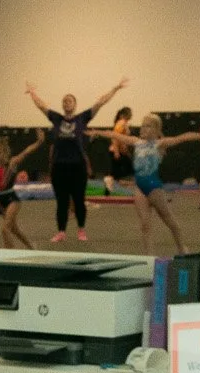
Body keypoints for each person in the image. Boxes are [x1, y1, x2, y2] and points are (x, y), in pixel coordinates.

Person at [25, 75, 129, 245]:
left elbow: (100, 102)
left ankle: (81, 229)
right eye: (65, 101)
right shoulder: (56, 119)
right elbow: (42, 106)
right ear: (62, 105)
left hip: (77, 167)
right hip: (59, 167)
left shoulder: (82, 118)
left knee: (79, 199)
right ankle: (61, 232)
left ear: (75, 105)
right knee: (62, 202)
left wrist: (116, 88)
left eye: (70, 101)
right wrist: (32, 93)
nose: (67, 104)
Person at [129, 114, 200, 253]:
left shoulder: (160, 144)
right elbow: (114, 135)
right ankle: (149, 256)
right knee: (145, 224)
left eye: (148, 126)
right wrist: (97, 132)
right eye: (142, 125)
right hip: (139, 188)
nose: (143, 128)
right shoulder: (136, 143)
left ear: (156, 130)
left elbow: (184, 137)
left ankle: (182, 247)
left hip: (154, 187)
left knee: (168, 219)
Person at [0, 133, 45, 249]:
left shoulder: (11, 163)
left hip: (12, 199)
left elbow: (26, 152)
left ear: (5, 153)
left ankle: (9, 253)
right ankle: (31, 246)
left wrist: (39, 142)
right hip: (2, 200)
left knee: (5, 229)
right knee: (14, 229)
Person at [103, 106, 135, 195]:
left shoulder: (125, 123)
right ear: (123, 115)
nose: (131, 115)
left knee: (120, 171)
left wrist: (126, 152)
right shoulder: (121, 123)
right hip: (116, 151)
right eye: (130, 113)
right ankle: (111, 182)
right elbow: (115, 138)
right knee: (129, 170)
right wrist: (116, 151)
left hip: (121, 151)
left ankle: (110, 184)